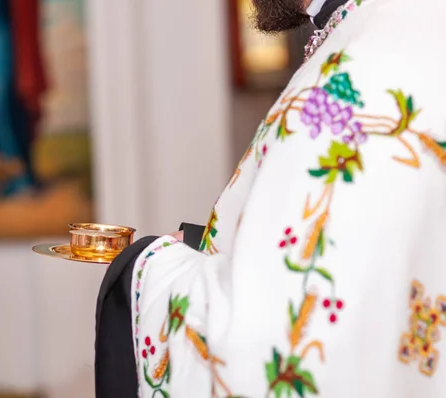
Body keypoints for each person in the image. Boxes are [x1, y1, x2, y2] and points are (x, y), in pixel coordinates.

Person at [95, 0, 446, 396]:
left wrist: (145, 264)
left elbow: (273, 350)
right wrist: (210, 246)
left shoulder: (348, 85)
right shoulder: (416, 27)